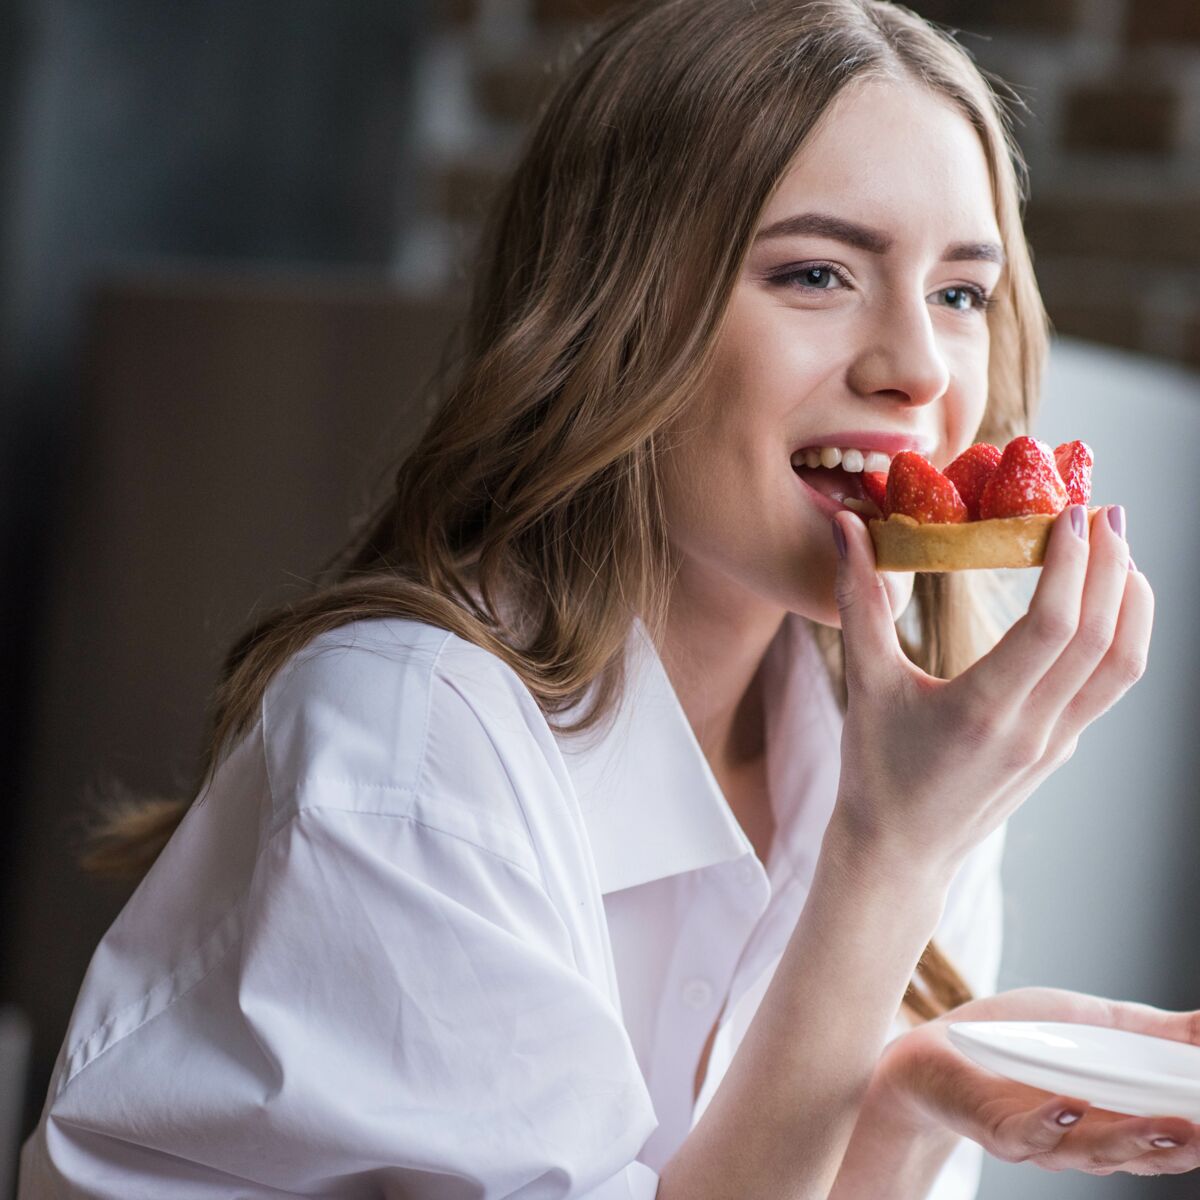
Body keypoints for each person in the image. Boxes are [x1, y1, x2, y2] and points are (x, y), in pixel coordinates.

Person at [17, 0, 1198, 1196]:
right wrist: (890, 856)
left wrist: (903, 1102)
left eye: (960, 294)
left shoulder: (884, 751)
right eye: (817, 272)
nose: (918, 366)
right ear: (615, 314)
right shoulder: (414, 736)